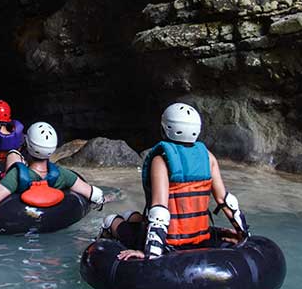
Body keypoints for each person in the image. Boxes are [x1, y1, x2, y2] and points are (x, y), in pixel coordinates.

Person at [98, 102, 250, 260]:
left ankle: (106, 241)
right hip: (201, 238)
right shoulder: (208, 157)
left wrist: (151, 254)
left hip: (170, 244)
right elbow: (226, 201)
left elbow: (160, 209)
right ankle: (131, 219)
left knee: (110, 220)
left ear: (165, 128)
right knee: (131, 215)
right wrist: (243, 236)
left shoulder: (162, 160)